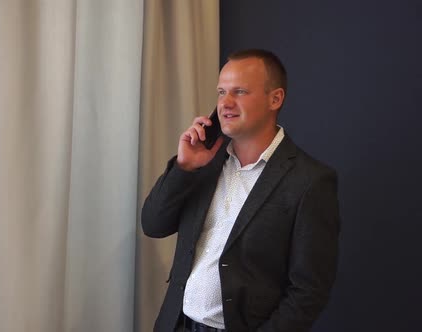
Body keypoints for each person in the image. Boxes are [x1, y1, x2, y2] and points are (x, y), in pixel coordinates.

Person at [141, 49, 340, 332]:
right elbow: (153, 225)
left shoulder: (310, 181)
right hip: (176, 323)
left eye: (240, 92)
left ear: (276, 98)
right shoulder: (205, 162)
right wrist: (184, 168)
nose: (226, 103)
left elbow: (309, 291)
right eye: (221, 92)